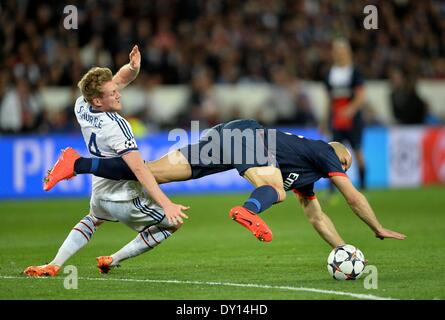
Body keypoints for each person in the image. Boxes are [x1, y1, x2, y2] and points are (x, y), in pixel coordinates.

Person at [44, 118, 406, 270]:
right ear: (340, 156)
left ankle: (77, 164)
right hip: (248, 137)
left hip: (227, 137)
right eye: (344, 166)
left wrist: (340, 248)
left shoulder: (307, 177)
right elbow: (353, 197)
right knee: (274, 189)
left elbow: (317, 216)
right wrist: (377, 227)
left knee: (151, 173)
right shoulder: (327, 152)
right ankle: (250, 210)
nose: (342, 171)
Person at [24, 45, 189, 277]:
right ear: (99, 101)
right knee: (173, 223)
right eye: (112, 93)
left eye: (115, 90)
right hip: (124, 198)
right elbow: (139, 169)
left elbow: (119, 80)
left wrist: (132, 68)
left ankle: (54, 264)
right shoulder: (118, 126)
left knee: (93, 219)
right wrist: (166, 203)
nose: (118, 93)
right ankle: (113, 259)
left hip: (100, 189)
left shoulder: (82, 105)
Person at [322, 38, 367, 190]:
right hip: (336, 119)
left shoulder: (355, 71)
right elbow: (329, 99)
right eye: (336, 51)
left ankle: (363, 187)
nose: (339, 54)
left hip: (352, 120)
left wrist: (350, 110)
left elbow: (360, 96)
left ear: (348, 53)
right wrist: (324, 119)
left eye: (341, 51)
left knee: (357, 150)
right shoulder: (330, 73)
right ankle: (332, 189)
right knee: (332, 153)